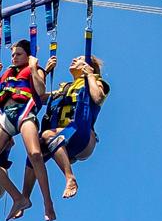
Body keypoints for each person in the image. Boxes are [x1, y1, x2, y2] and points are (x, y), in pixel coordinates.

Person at [0, 37, 52, 221]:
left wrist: (35, 67)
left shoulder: (35, 69)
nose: (14, 57)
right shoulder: (6, 73)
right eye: (12, 54)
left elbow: (40, 89)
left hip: (25, 111)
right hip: (5, 115)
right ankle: (18, 198)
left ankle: (48, 203)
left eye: (19, 54)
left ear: (28, 55)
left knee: (35, 154)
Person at [32, 55, 109, 202]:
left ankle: (70, 178)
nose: (74, 59)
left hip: (82, 136)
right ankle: (25, 197)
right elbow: (38, 97)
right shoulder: (64, 88)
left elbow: (98, 98)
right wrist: (44, 71)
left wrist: (90, 75)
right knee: (35, 148)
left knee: (48, 134)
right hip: (63, 138)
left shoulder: (94, 82)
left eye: (79, 59)